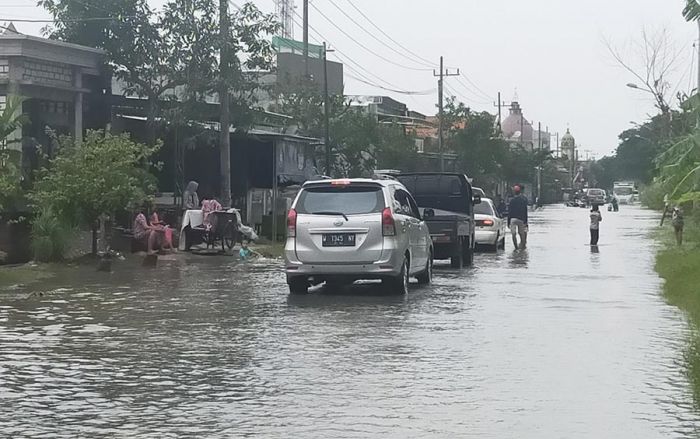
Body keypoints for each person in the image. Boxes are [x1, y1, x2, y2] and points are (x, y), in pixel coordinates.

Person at [507, 185, 529, 250]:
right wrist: (526, 221)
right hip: (521, 219)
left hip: (513, 219)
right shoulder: (523, 200)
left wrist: (508, 222)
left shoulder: (512, 201)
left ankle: (516, 247)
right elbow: (525, 211)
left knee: (513, 234)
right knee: (521, 234)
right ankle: (522, 246)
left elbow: (509, 212)